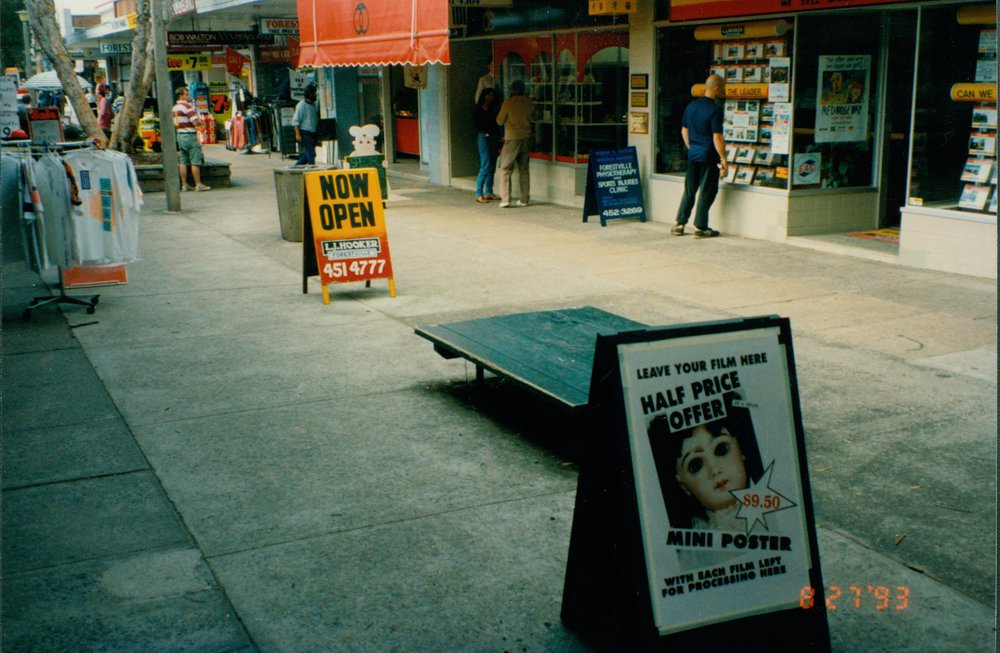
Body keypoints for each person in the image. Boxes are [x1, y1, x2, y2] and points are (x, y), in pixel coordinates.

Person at [647, 392, 764, 531]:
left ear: (741, 449)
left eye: (721, 449)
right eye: (696, 465)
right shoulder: (688, 550)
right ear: (682, 485)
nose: (715, 470)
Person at [672, 73, 727, 239]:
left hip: (693, 154)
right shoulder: (715, 109)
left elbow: (684, 131)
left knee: (689, 189)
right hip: (709, 155)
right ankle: (701, 227)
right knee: (707, 191)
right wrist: (724, 159)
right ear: (716, 88)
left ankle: (680, 224)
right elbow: (717, 137)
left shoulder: (691, 107)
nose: (723, 91)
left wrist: (692, 148)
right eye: (722, 88)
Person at [495, 79, 534, 208]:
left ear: (512, 90)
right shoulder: (529, 102)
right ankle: (524, 199)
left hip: (512, 138)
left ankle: (505, 199)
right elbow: (534, 117)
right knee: (524, 169)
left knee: (505, 169)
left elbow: (500, 121)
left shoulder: (508, 102)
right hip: (526, 137)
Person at [172, 86, 210, 191]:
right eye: (187, 94)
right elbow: (195, 122)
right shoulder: (187, 107)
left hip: (180, 135)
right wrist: (201, 122)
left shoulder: (174, 108)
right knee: (195, 160)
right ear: (181, 96)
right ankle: (198, 184)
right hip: (190, 135)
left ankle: (184, 185)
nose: (189, 96)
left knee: (183, 161)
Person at [474, 87, 502, 203]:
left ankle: (489, 191)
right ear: (484, 96)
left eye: (492, 95)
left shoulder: (493, 108)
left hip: (493, 137)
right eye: (488, 95)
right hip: (483, 137)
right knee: (485, 165)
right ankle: (479, 193)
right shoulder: (478, 108)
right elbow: (478, 124)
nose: (490, 97)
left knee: (492, 165)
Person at [292, 85, 319, 166]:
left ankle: (295, 167)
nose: (315, 95)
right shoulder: (301, 105)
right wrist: (297, 134)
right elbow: (295, 121)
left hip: (313, 132)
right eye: (313, 93)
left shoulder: (313, 105)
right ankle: (312, 171)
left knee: (308, 154)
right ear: (309, 94)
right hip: (305, 132)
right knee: (311, 154)